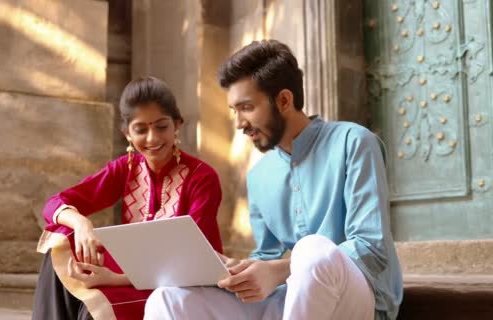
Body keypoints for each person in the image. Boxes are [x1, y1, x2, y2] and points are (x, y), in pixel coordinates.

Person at [144, 40, 403, 319]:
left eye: (246, 107)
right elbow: (267, 256)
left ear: (284, 101)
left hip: (360, 298)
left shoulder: (354, 143)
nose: (239, 123)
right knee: (168, 299)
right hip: (293, 301)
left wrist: (279, 270)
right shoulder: (259, 175)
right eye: (235, 110)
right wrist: (239, 269)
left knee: (312, 249)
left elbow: (370, 248)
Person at [32, 76, 224, 320]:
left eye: (161, 126)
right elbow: (53, 205)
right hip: (134, 274)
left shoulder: (202, 177)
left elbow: (193, 262)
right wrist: (82, 225)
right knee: (63, 236)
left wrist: (114, 279)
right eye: (141, 129)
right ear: (127, 134)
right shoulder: (126, 168)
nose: (152, 138)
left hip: (183, 287)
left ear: (177, 125)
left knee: (98, 306)